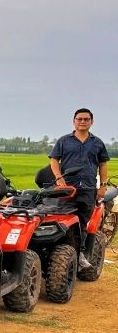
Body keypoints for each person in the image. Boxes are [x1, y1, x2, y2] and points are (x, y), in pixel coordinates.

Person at [49, 108, 110, 269]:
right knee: (63, 222)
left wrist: (102, 186)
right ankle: (59, 256)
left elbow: (103, 164)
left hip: (88, 189)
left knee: (83, 223)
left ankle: (80, 254)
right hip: (67, 189)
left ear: (91, 122)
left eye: (86, 119)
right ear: (73, 121)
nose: (82, 122)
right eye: (79, 119)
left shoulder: (97, 143)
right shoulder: (63, 141)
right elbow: (54, 160)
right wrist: (58, 177)